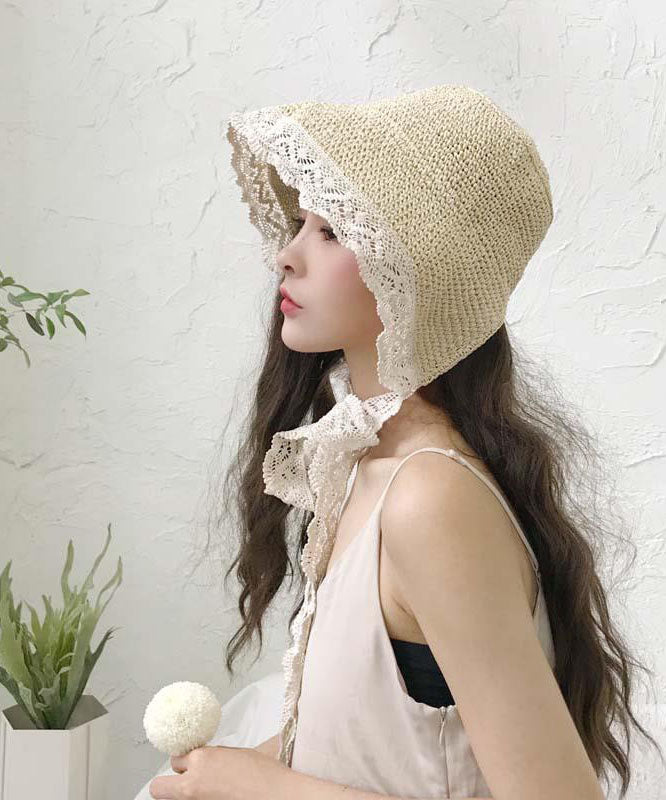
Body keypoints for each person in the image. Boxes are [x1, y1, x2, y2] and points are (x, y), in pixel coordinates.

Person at [196, 85, 662, 799]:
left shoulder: (429, 497)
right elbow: (373, 743)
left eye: (332, 231)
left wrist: (257, 787)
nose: (286, 256)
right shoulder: (370, 463)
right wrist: (236, 767)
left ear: (418, 268)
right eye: (300, 223)